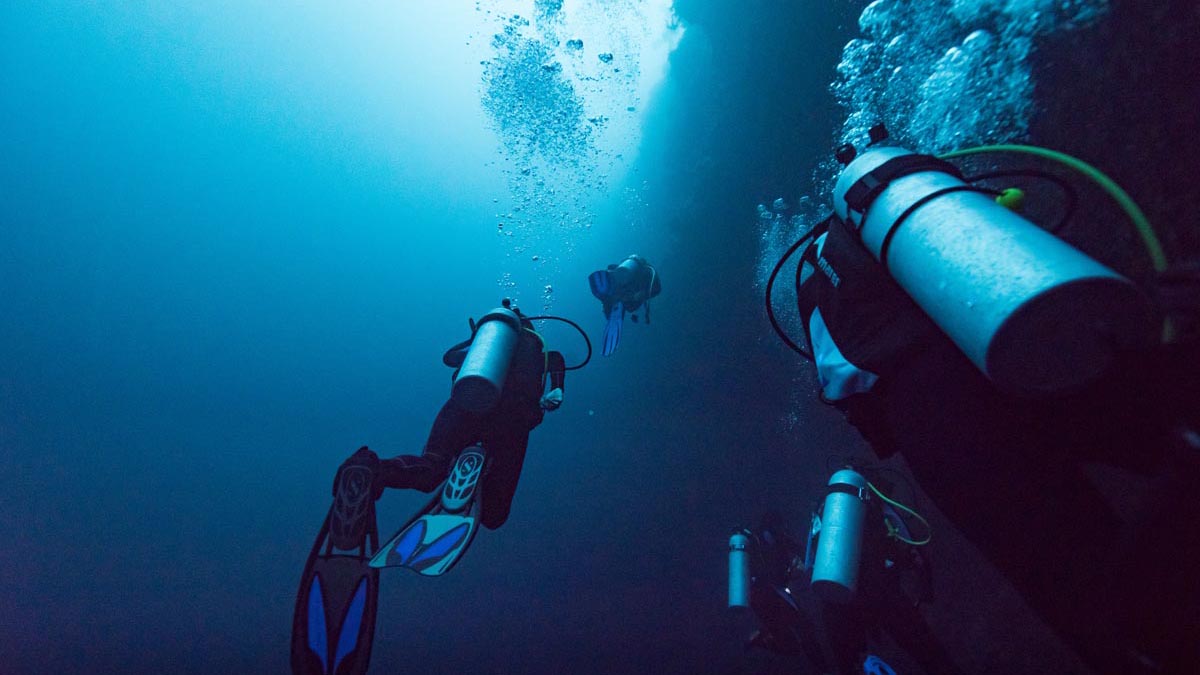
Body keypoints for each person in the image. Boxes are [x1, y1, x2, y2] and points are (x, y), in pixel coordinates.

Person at [347, 299, 566, 531]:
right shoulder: (538, 355)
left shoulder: (483, 351)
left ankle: (371, 468)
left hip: (464, 406)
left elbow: (449, 358)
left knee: (430, 469)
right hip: (511, 421)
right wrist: (558, 388)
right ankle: (477, 476)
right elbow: (557, 360)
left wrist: (475, 341)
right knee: (494, 514)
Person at [588, 254, 662, 356]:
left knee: (630, 306)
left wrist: (637, 296)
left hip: (639, 288)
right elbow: (609, 309)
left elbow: (656, 289)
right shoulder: (607, 286)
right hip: (626, 289)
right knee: (623, 304)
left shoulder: (627, 276)